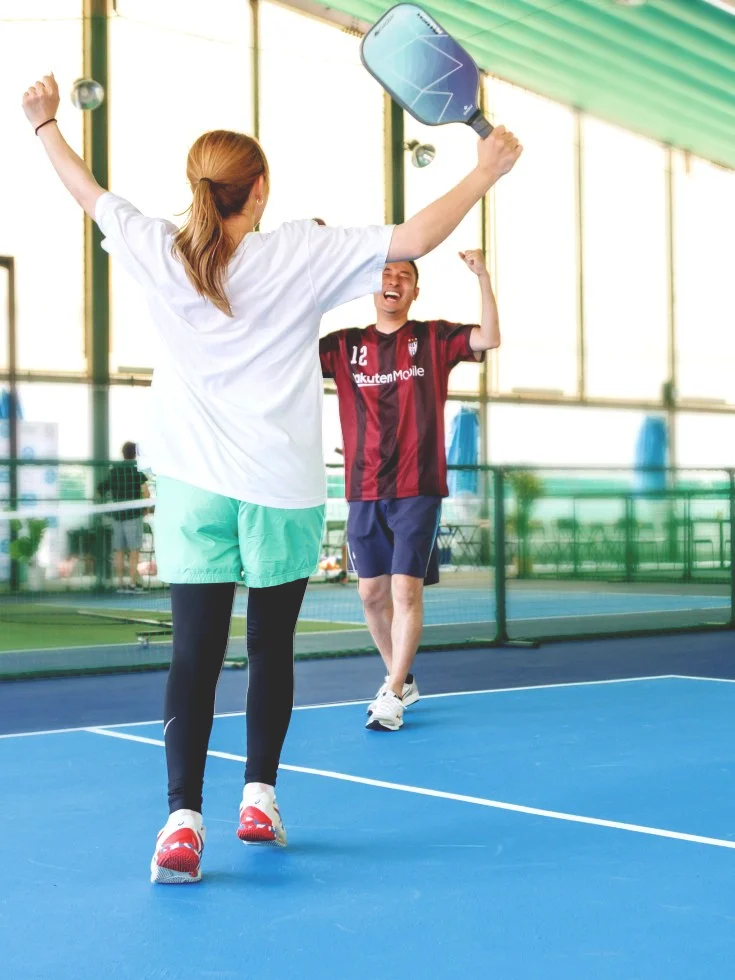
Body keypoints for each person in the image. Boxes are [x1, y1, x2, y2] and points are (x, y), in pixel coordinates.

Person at [23, 73, 521, 883]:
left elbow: (87, 192)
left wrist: (44, 124)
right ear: (258, 190)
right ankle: (259, 797)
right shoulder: (299, 250)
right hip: (281, 489)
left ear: (198, 185)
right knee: (270, 650)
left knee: (193, 655)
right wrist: (485, 169)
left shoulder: (158, 247)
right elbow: (416, 237)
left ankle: (181, 822)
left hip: (191, 487)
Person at [320, 250, 500, 732]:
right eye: (386, 274)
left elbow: (489, 337)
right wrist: (314, 274)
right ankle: (401, 678)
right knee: (370, 594)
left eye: (404, 276)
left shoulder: (433, 337)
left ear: (414, 292)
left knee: (405, 590)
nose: (394, 280)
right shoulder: (343, 346)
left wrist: (482, 276)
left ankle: (393, 692)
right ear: (372, 287)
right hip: (363, 487)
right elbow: (284, 350)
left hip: (417, 486)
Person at [98, 440, 150, 592]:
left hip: (117, 516)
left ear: (123, 453)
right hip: (133, 515)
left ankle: (120, 583)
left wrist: (108, 505)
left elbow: (101, 490)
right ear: (135, 454)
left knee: (119, 551)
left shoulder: (114, 471)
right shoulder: (137, 470)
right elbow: (146, 492)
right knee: (134, 551)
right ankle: (132, 584)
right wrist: (145, 508)